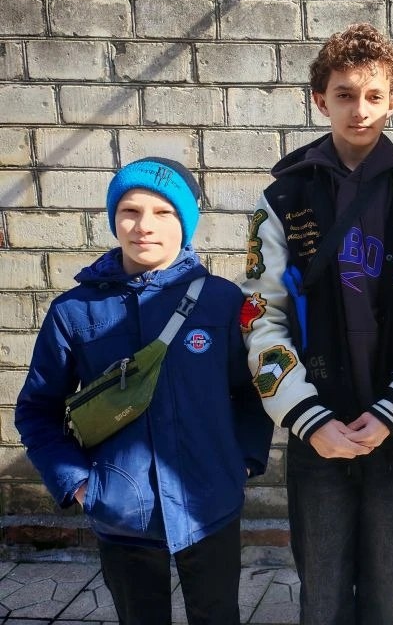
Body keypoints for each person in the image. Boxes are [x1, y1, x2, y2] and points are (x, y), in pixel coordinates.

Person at [239, 22, 393, 625]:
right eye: (344, 94)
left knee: (383, 589)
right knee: (321, 594)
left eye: (373, 96)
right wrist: (308, 418)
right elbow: (262, 316)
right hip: (317, 426)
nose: (359, 110)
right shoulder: (282, 200)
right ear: (321, 100)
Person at [16, 157, 273, 625]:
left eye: (163, 212)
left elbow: (252, 393)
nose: (144, 226)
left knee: (218, 614)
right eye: (130, 211)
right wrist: (80, 486)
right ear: (113, 218)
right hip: (121, 513)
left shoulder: (221, 301)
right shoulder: (74, 311)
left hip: (209, 505)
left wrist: (241, 462)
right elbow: (37, 411)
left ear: (186, 222)